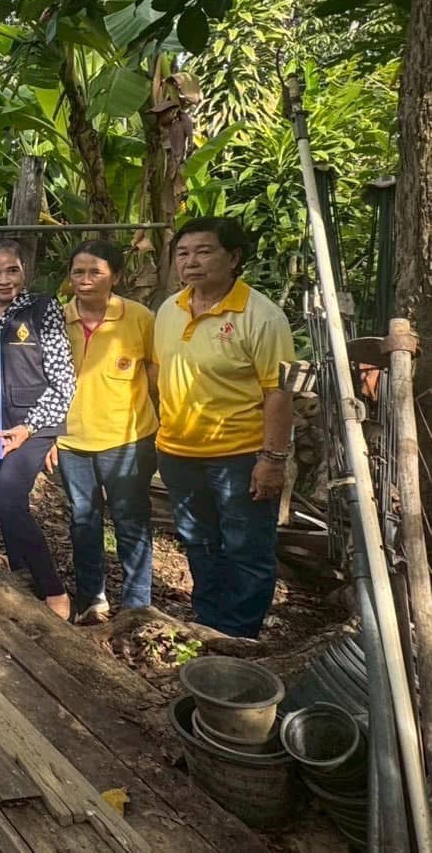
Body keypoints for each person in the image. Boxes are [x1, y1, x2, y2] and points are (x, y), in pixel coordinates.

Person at [155, 218, 294, 638]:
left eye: (203, 251)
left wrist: (272, 459)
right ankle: (207, 623)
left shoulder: (262, 317)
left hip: (239, 455)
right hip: (178, 454)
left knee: (246, 549)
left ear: (233, 257)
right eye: (183, 253)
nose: (191, 262)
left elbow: (279, 392)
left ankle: (238, 637)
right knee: (199, 544)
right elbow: (157, 374)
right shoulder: (169, 309)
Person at [48, 240, 158, 624]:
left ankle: (137, 605)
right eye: (78, 272)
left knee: (131, 519)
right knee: (83, 519)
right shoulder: (57, 319)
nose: (85, 280)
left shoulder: (139, 318)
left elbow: (155, 376)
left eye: (95, 272)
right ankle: (92, 599)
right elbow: (44, 381)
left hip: (128, 438)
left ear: (117, 276)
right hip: (72, 440)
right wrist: (48, 434)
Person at [0, 238, 74, 618]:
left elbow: (64, 381)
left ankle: (53, 589)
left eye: (12, 270)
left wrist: (31, 427)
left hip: (34, 423)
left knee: (6, 499)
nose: (4, 279)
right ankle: (21, 577)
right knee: (3, 501)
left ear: (24, 272)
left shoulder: (43, 309)